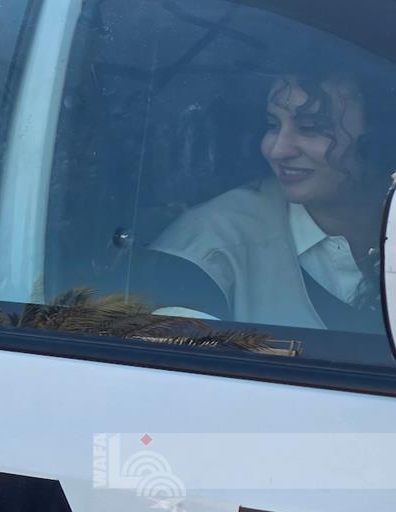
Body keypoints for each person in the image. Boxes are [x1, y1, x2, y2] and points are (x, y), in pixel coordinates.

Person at [146, 71, 396, 332]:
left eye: (310, 128)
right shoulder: (208, 249)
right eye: (273, 125)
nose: (277, 150)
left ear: (383, 137)